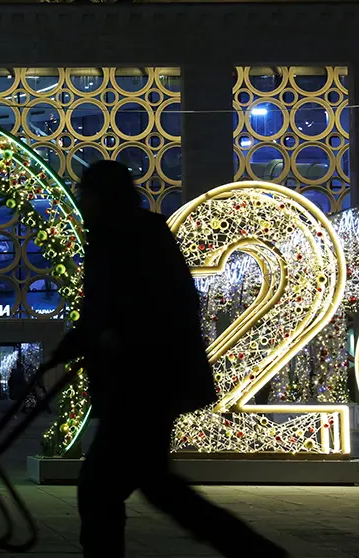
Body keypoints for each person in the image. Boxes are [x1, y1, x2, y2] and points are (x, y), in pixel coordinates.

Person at [53, 160, 288, 558]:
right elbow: (112, 307)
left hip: (141, 382)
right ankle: (253, 550)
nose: (81, 201)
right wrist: (84, 339)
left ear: (100, 196)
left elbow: (135, 304)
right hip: (150, 382)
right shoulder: (135, 232)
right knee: (152, 484)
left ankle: (254, 550)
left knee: (103, 487)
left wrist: (107, 337)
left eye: (85, 193)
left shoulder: (123, 235)